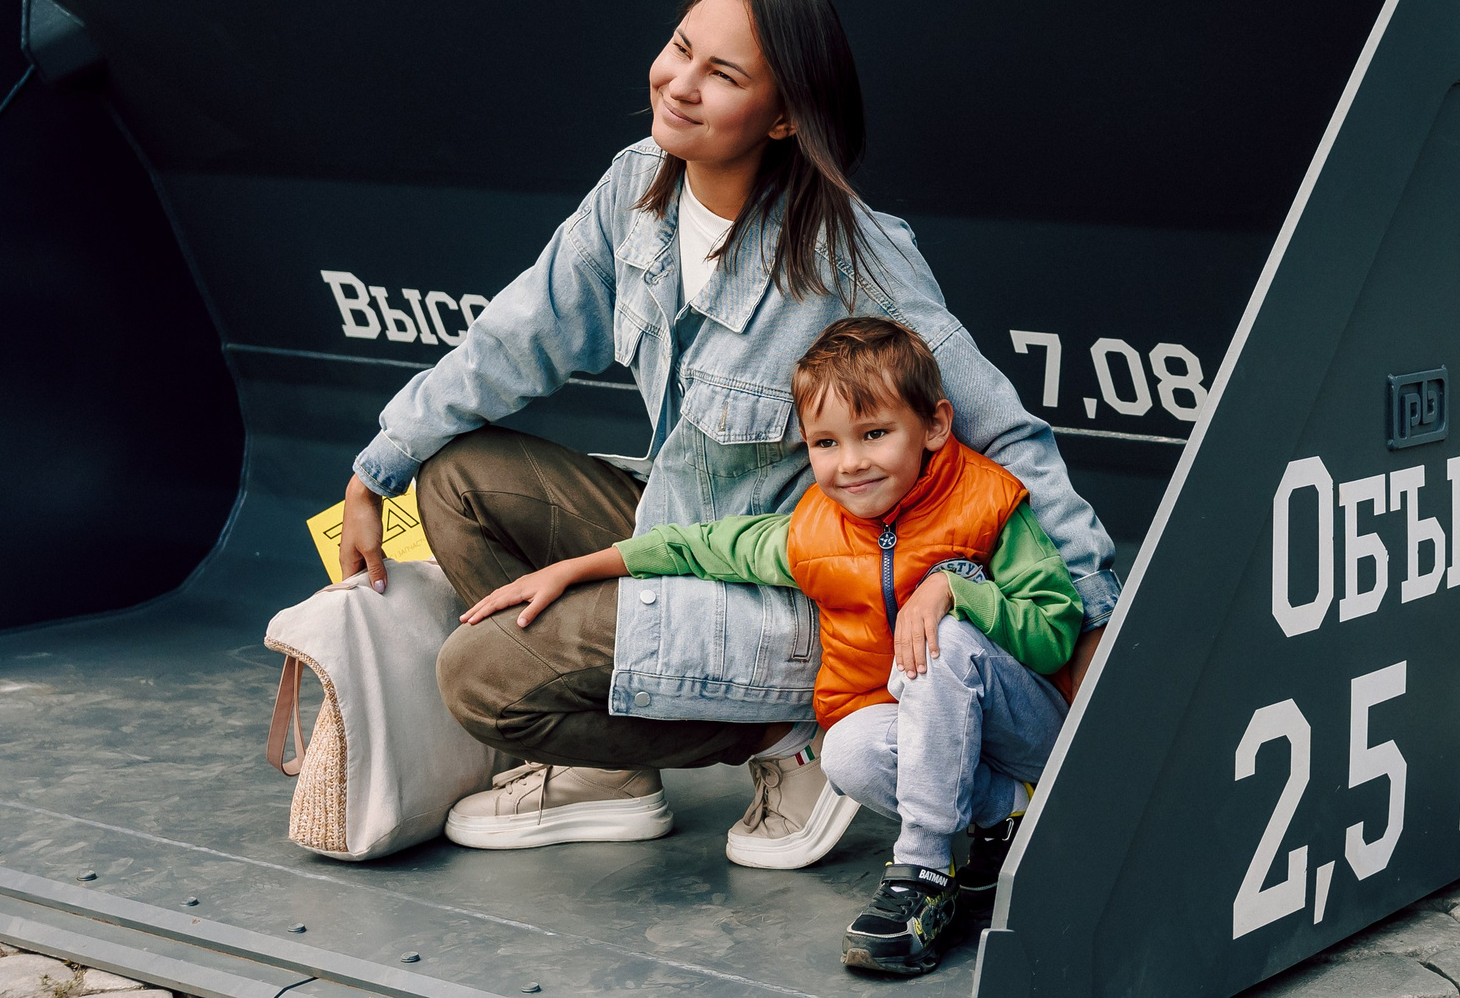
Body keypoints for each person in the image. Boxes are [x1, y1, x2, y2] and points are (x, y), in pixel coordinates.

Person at [332, 0, 1118, 869]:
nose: (681, 83)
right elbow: (512, 338)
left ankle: (796, 743)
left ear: (783, 117)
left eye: (724, 74)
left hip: (799, 594)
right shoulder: (636, 189)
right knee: (456, 478)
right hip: (685, 534)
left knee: (480, 677)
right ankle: (612, 772)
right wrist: (373, 471)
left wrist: (1092, 628)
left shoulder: (852, 255)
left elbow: (1004, 433)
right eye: (680, 49)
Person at [460, 318, 1076, 977]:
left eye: (874, 433)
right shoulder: (813, 531)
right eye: (826, 442)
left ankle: (922, 873)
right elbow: (696, 546)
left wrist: (955, 590)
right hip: (940, 741)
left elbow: (1054, 632)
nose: (850, 462)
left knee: (941, 639)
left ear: (934, 425)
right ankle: (1004, 812)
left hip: (1023, 729)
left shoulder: (987, 500)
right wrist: (574, 568)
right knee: (846, 751)